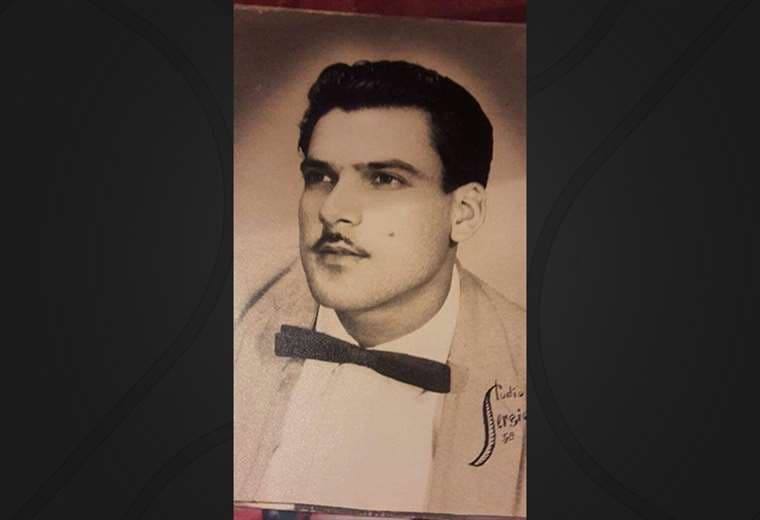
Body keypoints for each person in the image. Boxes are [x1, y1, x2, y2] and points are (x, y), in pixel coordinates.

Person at [234, 60, 525, 518]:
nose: (333, 209)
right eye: (320, 177)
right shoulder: (235, 324)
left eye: (385, 179)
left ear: (464, 213)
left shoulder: (527, 364)